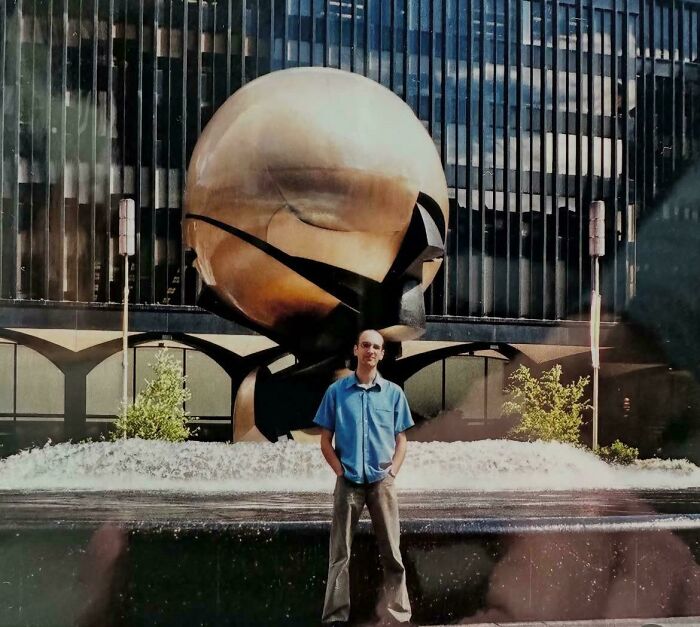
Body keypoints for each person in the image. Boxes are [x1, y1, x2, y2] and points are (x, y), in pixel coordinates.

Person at [314, 329, 414, 626]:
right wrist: (340, 471)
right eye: (366, 345)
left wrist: (393, 471)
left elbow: (402, 439)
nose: (371, 351)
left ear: (382, 354)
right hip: (348, 482)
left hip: (382, 482)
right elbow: (324, 440)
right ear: (356, 350)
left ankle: (398, 615)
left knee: (393, 553)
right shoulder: (336, 392)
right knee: (339, 554)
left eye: (377, 347)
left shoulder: (394, 393)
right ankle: (335, 616)